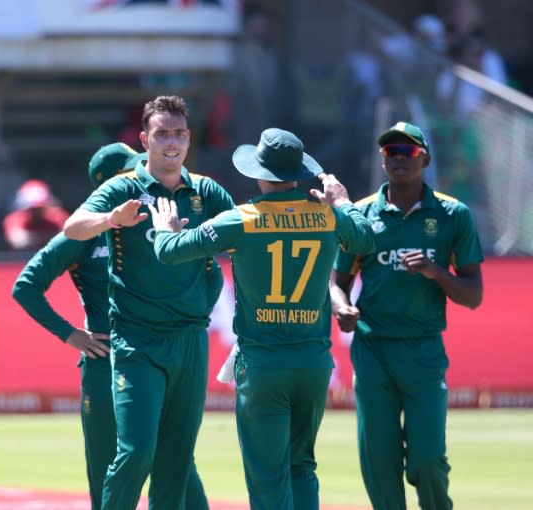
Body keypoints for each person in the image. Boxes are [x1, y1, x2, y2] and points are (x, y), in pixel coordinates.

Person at [149, 127, 375, 510]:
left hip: (263, 362)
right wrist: (343, 202)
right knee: (301, 466)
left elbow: (170, 252)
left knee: (267, 474)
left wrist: (162, 231)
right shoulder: (325, 216)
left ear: (259, 172)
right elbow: (366, 241)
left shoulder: (242, 218)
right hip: (314, 362)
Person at [13, 142, 218, 510]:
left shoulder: (155, 228)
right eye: (130, 173)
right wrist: (71, 335)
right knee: (113, 463)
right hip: (105, 358)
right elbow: (25, 286)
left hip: (155, 347)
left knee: (177, 462)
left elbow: (210, 272)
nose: (141, 180)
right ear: (109, 185)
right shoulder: (83, 235)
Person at [63, 95, 235, 509]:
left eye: (178, 134)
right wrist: (110, 220)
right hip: (137, 341)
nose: (171, 143)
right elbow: (72, 228)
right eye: (161, 135)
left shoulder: (207, 191)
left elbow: (246, 234)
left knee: (176, 461)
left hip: (190, 340)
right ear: (144, 139)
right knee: (137, 451)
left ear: (189, 138)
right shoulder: (124, 188)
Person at [329, 121, 484, 510]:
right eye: (391, 152)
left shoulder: (452, 215)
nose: (399, 158)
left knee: (427, 460)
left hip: (423, 350)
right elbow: (336, 282)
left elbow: (474, 296)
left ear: (425, 159)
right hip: (373, 350)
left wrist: (434, 270)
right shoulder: (361, 214)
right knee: (379, 464)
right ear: (382, 160)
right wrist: (341, 308)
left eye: (409, 151)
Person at [2, 179, 70, 251]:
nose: (36, 211)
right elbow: (17, 241)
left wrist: (33, 238)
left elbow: (66, 240)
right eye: (32, 208)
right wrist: (48, 237)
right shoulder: (14, 218)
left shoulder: (58, 216)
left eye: (40, 207)